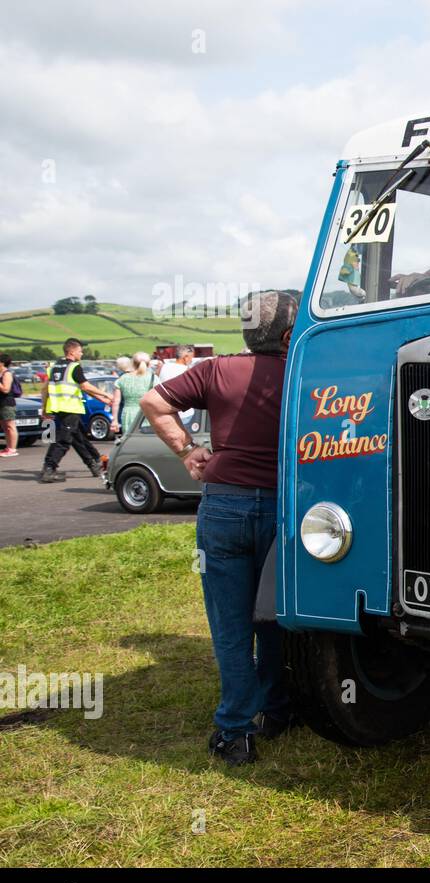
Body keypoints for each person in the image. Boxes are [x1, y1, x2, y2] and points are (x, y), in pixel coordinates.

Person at [140, 292, 297, 767]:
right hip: (285, 506)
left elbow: (153, 401)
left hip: (224, 504)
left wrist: (188, 449)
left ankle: (235, 732)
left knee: (230, 625)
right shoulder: (305, 371)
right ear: (289, 333)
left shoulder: (215, 370)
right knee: (273, 617)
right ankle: (278, 710)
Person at [38, 338, 114, 483]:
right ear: (72, 352)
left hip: (58, 408)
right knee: (64, 440)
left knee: (79, 438)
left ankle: (94, 464)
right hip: (70, 407)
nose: (82, 353)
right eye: (80, 351)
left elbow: (45, 389)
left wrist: (44, 408)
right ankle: (49, 468)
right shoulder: (74, 367)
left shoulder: (54, 367)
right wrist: (106, 394)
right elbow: (85, 386)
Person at [111, 352, 156, 436]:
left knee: (129, 442)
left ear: (133, 364)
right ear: (149, 364)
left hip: (128, 415)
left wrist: (115, 421)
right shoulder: (154, 378)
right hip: (147, 415)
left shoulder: (122, 378)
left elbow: (116, 402)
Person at [0, 354, 18, 458]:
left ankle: (13, 449)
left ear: (2, 363)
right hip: (1, 403)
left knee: (10, 426)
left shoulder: (7, 374)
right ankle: (8, 447)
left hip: (7, 403)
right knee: (5, 426)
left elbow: (6, 389)